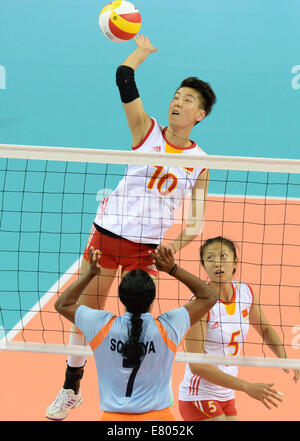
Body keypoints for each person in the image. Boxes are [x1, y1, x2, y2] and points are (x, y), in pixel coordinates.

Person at [46, 34, 216, 420]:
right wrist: (141, 52)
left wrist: (177, 246)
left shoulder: (202, 161)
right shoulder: (147, 130)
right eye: (176, 95)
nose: (177, 101)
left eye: (187, 99)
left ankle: (136, 393)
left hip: (147, 248)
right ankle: (71, 388)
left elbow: (195, 221)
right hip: (107, 234)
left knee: (136, 324)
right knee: (84, 314)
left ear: (200, 114)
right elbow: (124, 77)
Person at [49, 246, 218, 421]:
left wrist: (91, 274)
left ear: (121, 298)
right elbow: (209, 296)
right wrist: (172, 269)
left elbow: (63, 304)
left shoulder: (102, 326)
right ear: (152, 298)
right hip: (159, 419)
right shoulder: (168, 327)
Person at [178, 236, 300, 421]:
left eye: (222, 256)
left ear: (235, 262)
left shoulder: (245, 293)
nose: (217, 263)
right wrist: (247, 387)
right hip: (199, 394)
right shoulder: (200, 305)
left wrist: (284, 357)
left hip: (226, 393)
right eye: (209, 259)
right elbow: (197, 365)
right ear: (204, 266)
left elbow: (265, 330)